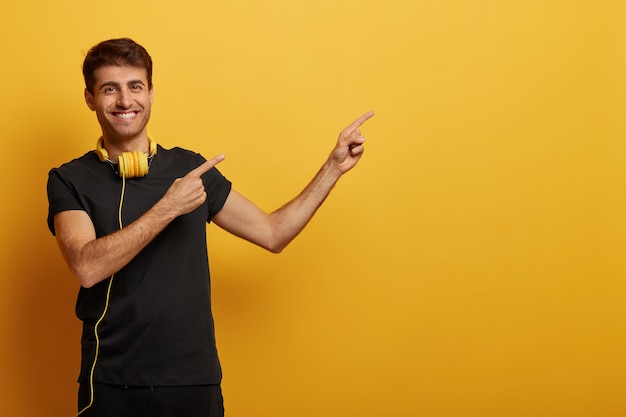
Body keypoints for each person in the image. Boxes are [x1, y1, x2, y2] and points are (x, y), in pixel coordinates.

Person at [46, 37, 374, 417]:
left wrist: (332, 169)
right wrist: (167, 208)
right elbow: (86, 268)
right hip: (110, 381)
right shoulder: (69, 179)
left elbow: (273, 233)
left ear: (151, 94)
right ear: (90, 98)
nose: (124, 101)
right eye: (110, 89)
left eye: (135, 86)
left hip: (193, 381)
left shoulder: (191, 170)